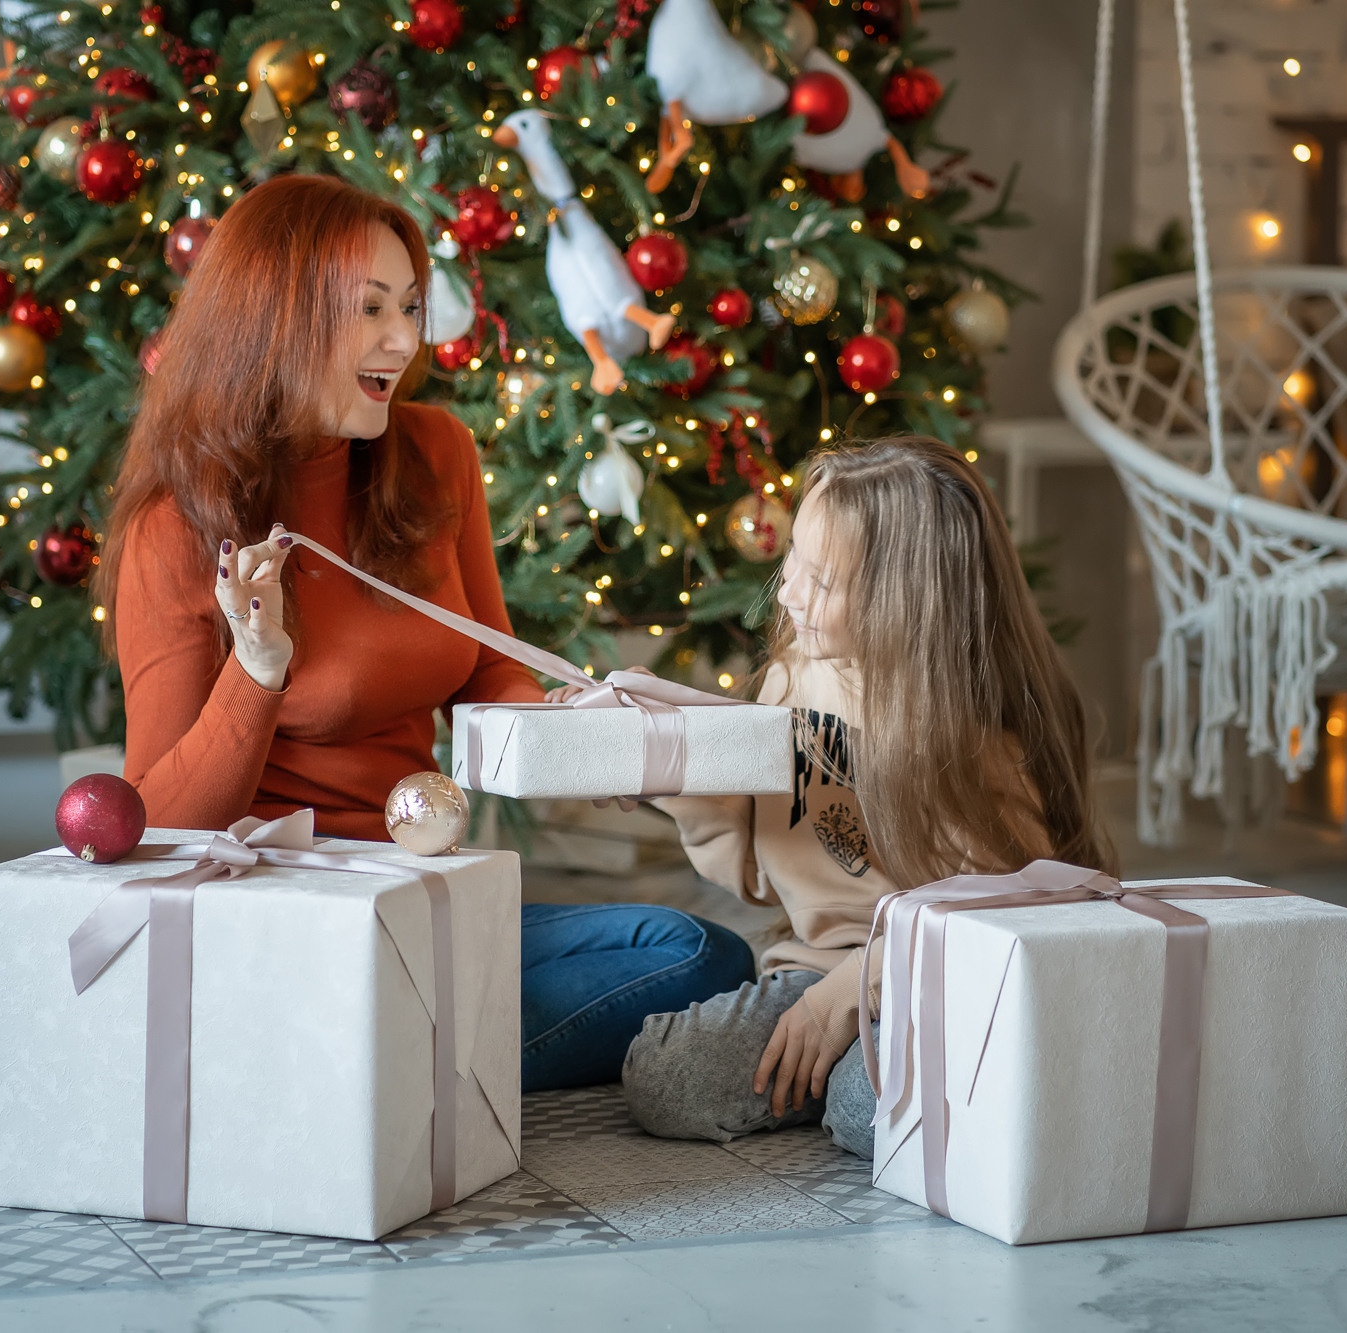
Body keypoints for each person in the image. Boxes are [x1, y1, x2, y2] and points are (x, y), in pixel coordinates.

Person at [90, 174, 749, 1093]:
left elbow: (487, 665)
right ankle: (375, 1056)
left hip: (424, 895)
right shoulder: (179, 525)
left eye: (408, 305)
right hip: (285, 923)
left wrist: (571, 739)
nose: (406, 340)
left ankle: (362, 1062)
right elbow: (158, 827)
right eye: (368, 310)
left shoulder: (437, 452)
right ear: (274, 318)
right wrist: (259, 670)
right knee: (669, 978)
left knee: (694, 952)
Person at [615, 437, 1114, 1156]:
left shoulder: (976, 733)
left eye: (821, 580)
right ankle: (869, 1068)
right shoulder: (795, 673)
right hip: (820, 968)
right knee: (668, 1077)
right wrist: (672, 775)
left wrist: (852, 992)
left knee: (859, 1106)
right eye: (794, 561)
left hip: (936, 978)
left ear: (902, 600)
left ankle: (894, 1072)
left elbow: (1004, 916)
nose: (786, 594)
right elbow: (759, 877)